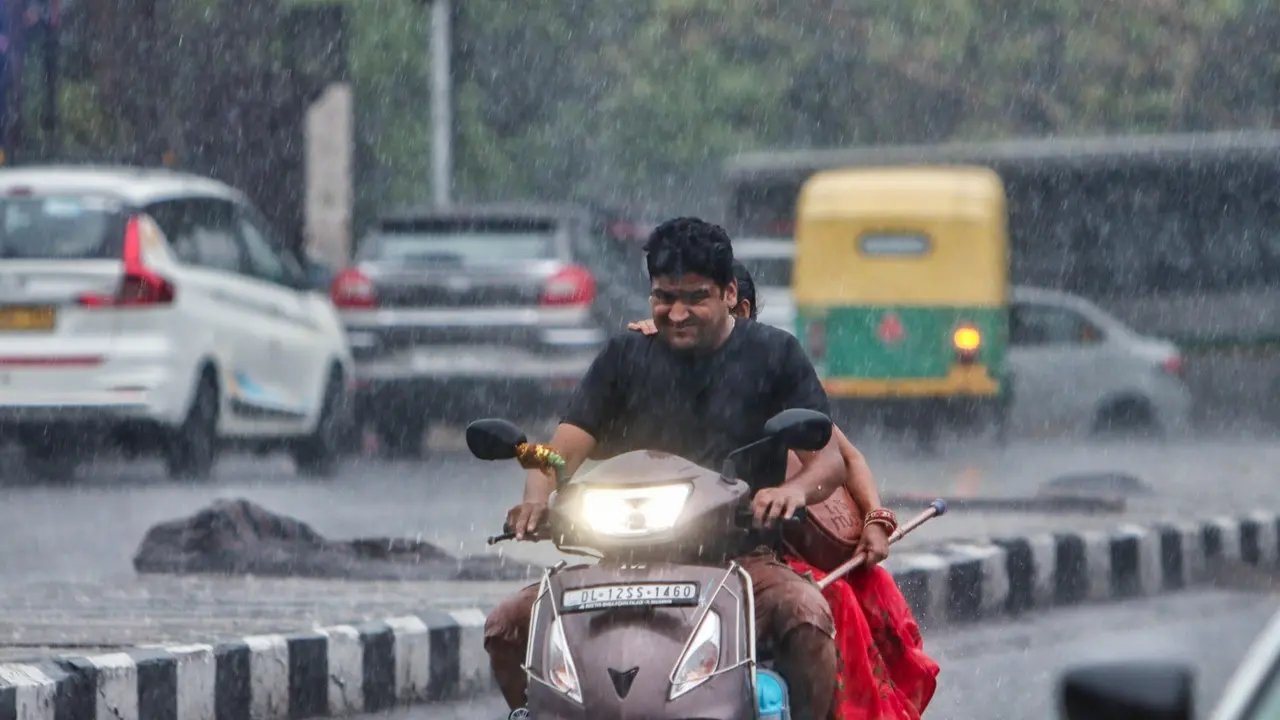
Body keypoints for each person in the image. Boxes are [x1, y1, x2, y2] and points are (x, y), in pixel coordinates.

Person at [484, 217, 847, 719]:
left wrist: (793, 492)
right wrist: (535, 497)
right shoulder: (623, 356)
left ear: (728, 292)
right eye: (663, 297)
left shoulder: (774, 353)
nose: (677, 313)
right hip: (615, 561)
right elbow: (556, 454)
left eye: (695, 297)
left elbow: (827, 460)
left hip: (738, 561)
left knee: (808, 618)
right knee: (506, 627)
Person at [629, 260, 940, 720]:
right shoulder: (650, 360)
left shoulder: (770, 370)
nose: (682, 319)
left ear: (737, 305)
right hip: (660, 543)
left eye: (697, 304)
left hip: (763, 547)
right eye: (670, 304)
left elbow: (842, 455)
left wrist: (875, 519)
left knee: (841, 598)